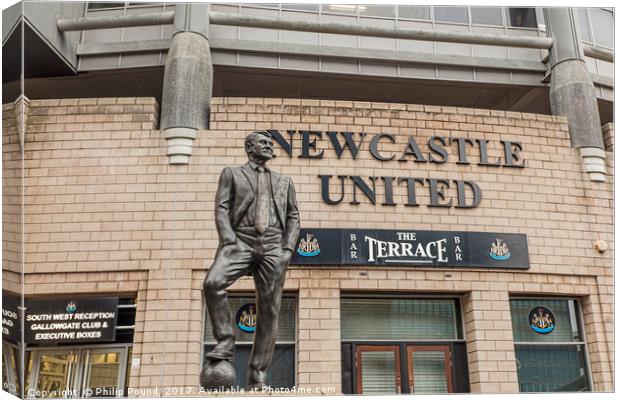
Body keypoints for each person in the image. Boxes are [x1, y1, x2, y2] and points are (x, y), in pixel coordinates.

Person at [203, 130, 300, 390]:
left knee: (269, 310)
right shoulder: (232, 173)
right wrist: (228, 239)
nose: (269, 146)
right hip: (240, 241)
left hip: (273, 245)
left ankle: (258, 375)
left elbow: (293, 217)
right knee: (213, 283)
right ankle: (225, 340)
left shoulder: (284, 181)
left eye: (271, 143)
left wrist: (287, 251)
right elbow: (221, 208)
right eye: (263, 142)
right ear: (249, 147)